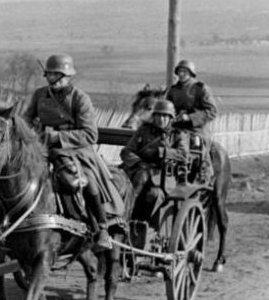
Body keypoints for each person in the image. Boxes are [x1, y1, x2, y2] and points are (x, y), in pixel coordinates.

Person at [23, 53, 126, 251]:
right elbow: (26, 120)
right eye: (49, 75)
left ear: (67, 76)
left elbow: (90, 134)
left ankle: (101, 227)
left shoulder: (80, 98)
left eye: (56, 75)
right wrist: (32, 134)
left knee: (83, 179)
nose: (52, 79)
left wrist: (58, 138)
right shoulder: (39, 95)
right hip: (42, 147)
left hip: (75, 151)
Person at [120, 99, 190, 207]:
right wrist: (138, 162)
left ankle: (128, 208)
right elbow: (126, 151)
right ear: (154, 116)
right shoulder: (143, 131)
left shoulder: (177, 134)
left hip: (162, 175)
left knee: (148, 186)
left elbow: (183, 155)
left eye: (165, 116)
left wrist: (160, 152)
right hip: (138, 168)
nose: (161, 119)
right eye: (158, 116)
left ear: (170, 118)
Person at [166, 59, 218, 148]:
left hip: (196, 129)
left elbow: (212, 112)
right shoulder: (172, 90)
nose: (181, 74)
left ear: (191, 73)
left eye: (185, 71)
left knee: (197, 147)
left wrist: (189, 117)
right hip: (176, 128)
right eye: (179, 71)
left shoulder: (201, 89)